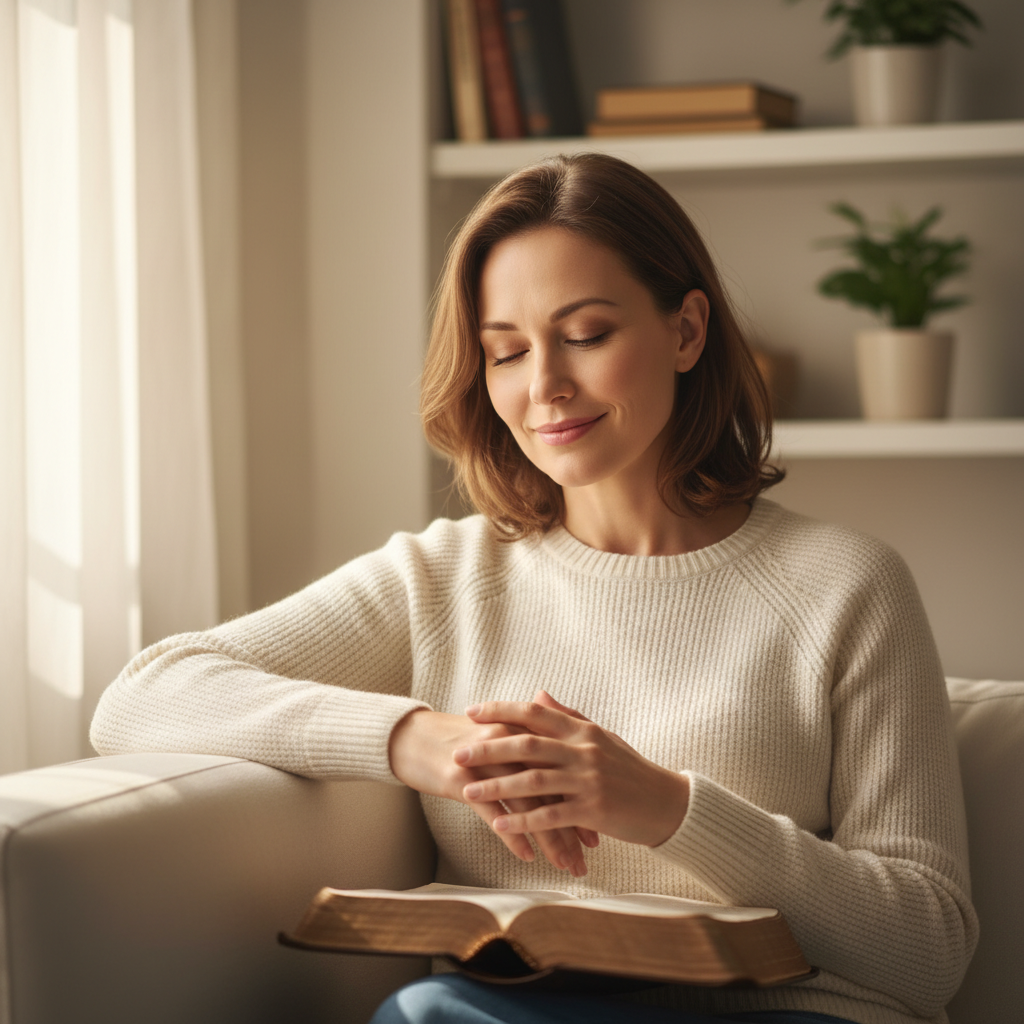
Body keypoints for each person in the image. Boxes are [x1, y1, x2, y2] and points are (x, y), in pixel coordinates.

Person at [90, 153, 976, 1024]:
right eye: (506, 352)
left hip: (801, 1015)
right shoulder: (444, 578)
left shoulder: (847, 583)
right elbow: (143, 695)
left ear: (687, 330)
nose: (545, 386)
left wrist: (666, 808)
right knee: (428, 1013)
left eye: (586, 336)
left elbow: (929, 948)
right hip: (519, 1014)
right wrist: (428, 744)